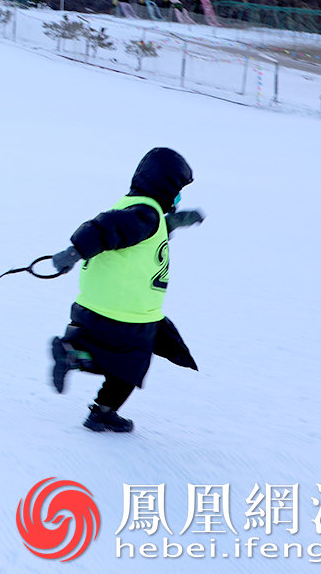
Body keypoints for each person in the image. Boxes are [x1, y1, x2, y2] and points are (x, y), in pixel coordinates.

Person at [47, 147, 206, 433]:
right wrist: (74, 252)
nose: (179, 196)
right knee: (131, 365)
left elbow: (137, 235)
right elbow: (107, 228)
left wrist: (174, 222)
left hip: (96, 307)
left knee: (116, 358)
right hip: (126, 312)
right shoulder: (145, 213)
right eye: (178, 189)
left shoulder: (142, 210)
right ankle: (102, 409)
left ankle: (74, 355)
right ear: (166, 184)